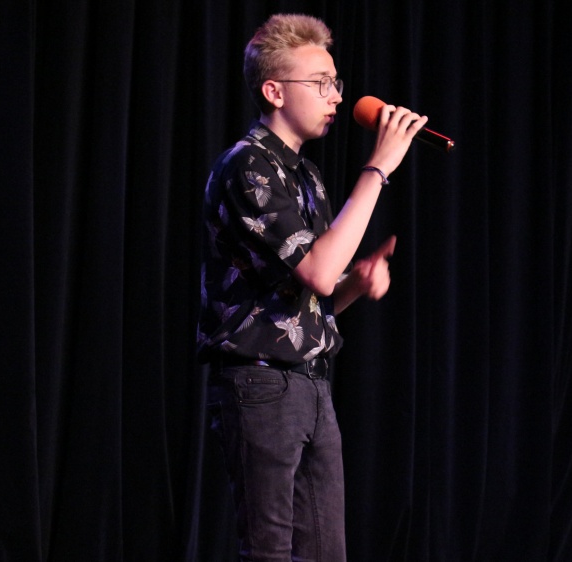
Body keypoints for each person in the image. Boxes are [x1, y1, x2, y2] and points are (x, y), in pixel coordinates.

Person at [196, 13, 426, 562]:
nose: (336, 96)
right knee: (270, 550)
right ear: (274, 91)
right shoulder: (248, 167)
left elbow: (314, 291)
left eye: (335, 82)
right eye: (321, 83)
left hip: (310, 384)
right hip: (260, 383)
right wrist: (378, 169)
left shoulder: (307, 176)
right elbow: (318, 272)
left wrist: (356, 285)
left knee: (326, 551)